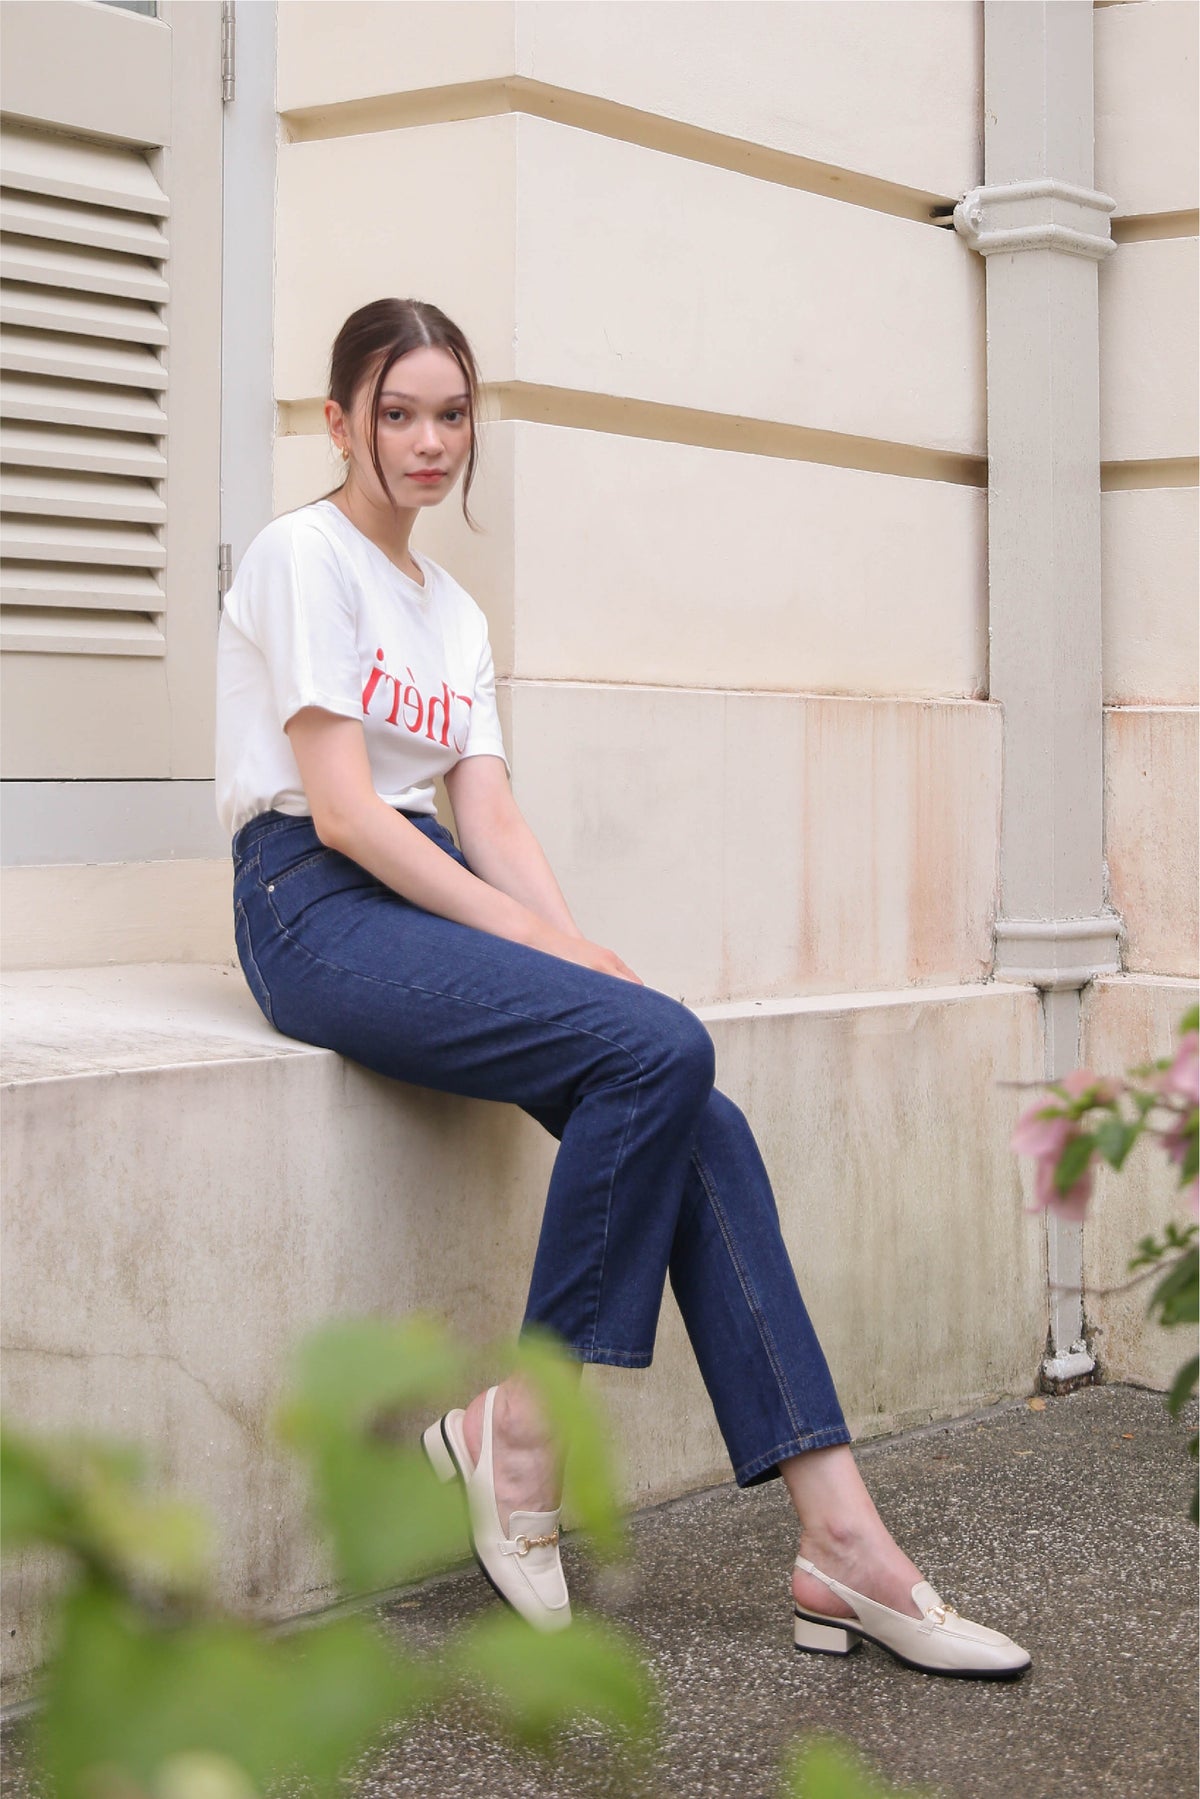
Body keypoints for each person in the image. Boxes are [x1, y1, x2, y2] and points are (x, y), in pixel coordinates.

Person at [215, 297, 1031, 1679]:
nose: (426, 440)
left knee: (679, 1080)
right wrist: (547, 954)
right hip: (310, 899)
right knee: (658, 1048)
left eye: (451, 414)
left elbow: (493, 816)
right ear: (341, 420)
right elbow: (350, 817)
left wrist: (575, 946)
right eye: (397, 412)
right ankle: (525, 1433)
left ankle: (843, 1541)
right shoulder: (307, 558)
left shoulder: (453, 612)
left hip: (418, 888)